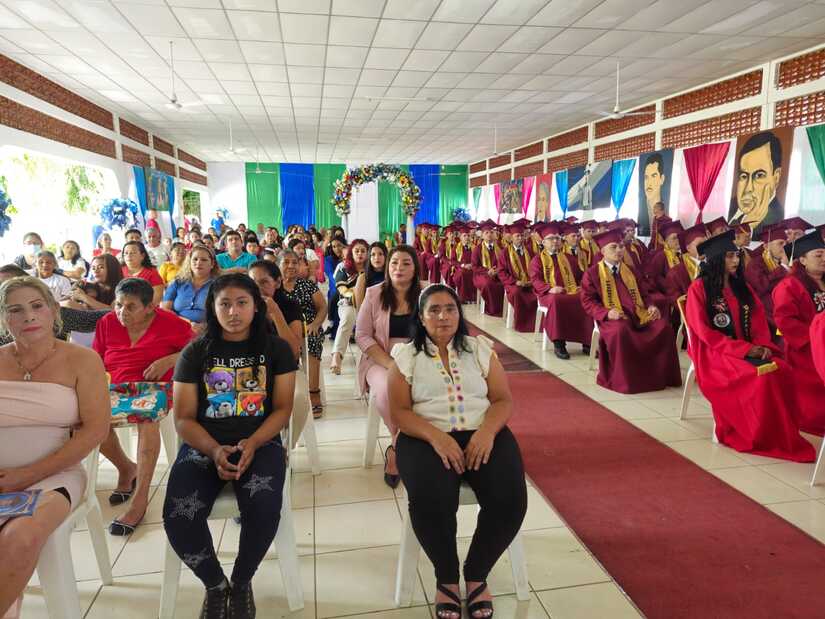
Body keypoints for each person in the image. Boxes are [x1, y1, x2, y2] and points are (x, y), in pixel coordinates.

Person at [388, 283, 527, 619]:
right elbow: (400, 412)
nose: (443, 316)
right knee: (432, 499)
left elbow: (502, 400)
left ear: (459, 313)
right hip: (424, 436)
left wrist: (487, 432)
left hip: (483, 432)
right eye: (434, 310)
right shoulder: (406, 356)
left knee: (509, 499)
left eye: (450, 308)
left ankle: (477, 572)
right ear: (421, 317)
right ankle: (447, 577)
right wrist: (437, 438)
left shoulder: (478, 349)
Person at [162, 273, 296, 619]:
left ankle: (241, 580)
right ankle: (215, 584)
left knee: (264, 508)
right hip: (203, 444)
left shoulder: (276, 349)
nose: (233, 312)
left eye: (241, 303)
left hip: (261, 441)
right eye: (224, 304)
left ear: (256, 307)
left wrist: (255, 441)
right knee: (178, 516)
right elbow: (184, 419)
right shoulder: (195, 352)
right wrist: (213, 450)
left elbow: (283, 409)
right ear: (213, 307)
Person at [0, 276, 110, 619]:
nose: (28, 316)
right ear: (4, 319)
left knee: (20, 536)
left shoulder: (83, 360)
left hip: (54, 476)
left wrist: (26, 475)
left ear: (53, 311)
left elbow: (96, 430)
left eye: (37, 306)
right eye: (16, 310)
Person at [685, 231, 814, 461]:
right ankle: (757, 434)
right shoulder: (699, 289)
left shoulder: (741, 287)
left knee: (782, 369)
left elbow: (758, 322)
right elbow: (704, 333)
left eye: (736, 255)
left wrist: (762, 345)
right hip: (716, 353)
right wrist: (744, 350)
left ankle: (778, 433)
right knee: (759, 377)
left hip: (748, 347)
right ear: (715, 260)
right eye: (729, 256)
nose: (736, 260)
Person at [93, 278, 194, 535]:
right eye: (118, 305)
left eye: (130, 307)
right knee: (89, 420)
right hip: (117, 387)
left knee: (147, 418)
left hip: (156, 387)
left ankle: (140, 498)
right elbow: (96, 359)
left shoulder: (171, 323)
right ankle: (126, 468)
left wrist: (170, 360)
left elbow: (198, 349)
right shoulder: (107, 322)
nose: (121, 312)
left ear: (150, 307)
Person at [581, 229, 681, 393]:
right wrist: (607, 313)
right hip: (613, 317)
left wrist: (651, 306)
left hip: (638, 314)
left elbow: (644, 294)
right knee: (621, 330)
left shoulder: (631, 271)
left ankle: (660, 376)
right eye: (614, 247)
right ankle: (626, 381)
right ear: (603, 251)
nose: (619, 250)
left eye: (621, 246)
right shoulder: (592, 274)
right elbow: (588, 301)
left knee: (664, 328)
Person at [356, 245, 421, 488]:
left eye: (406, 263)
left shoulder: (425, 294)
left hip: (418, 358)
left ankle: (402, 445)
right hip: (380, 358)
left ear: (415, 268)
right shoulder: (374, 294)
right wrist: (391, 364)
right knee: (386, 389)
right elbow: (362, 335)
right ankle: (398, 445)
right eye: (394, 262)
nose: (399, 268)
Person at [772, 231, 825, 436]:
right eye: (818, 255)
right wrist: (816, 339)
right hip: (804, 348)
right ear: (802, 260)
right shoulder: (789, 285)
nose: (824, 259)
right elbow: (785, 321)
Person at [529, 223, 593, 359]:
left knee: (585, 298)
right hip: (548, 294)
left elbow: (580, 276)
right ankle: (559, 343)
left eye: (557, 238)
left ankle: (587, 342)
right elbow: (535, 280)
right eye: (551, 238)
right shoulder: (537, 260)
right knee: (556, 300)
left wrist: (583, 286)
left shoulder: (569, 258)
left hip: (569, 291)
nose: (555, 241)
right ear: (543, 242)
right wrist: (550, 288)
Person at [279, 250, 327, 417]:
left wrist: (315, 324)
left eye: (295, 262)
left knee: (312, 341)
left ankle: (314, 392)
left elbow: (322, 307)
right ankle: (286, 393)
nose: (291, 266)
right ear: (278, 265)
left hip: (308, 327)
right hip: (284, 330)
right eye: (286, 262)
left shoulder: (307, 285)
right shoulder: (275, 287)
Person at [728, 130, 785, 235]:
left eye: (759, 175)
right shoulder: (731, 206)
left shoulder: (776, 220)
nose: (748, 188)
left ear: (776, 177)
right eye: (744, 176)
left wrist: (749, 227)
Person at [248, 260, 303, 359]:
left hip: (281, 364)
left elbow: (294, 353)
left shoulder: (290, 306)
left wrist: (275, 312)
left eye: (263, 282)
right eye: (252, 283)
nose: (257, 288)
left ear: (277, 282)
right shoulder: (245, 308)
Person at [330, 239, 369, 375]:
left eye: (363, 251)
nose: (360, 254)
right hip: (348, 303)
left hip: (369, 305)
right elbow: (342, 289)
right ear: (351, 253)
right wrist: (355, 296)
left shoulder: (371, 268)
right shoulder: (343, 267)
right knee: (348, 318)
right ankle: (337, 355)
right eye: (356, 251)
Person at [161, 245, 220, 332]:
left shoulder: (219, 285)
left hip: (206, 330)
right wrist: (188, 323)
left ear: (212, 264)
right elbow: (165, 309)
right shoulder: (178, 281)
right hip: (176, 326)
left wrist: (205, 327)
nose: (198, 262)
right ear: (189, 262)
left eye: (204, 260)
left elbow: (222, 314)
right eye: (195, 259)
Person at [745, 223, 788, 330]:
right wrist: (783, 268)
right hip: (765, 316)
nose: (785, 247)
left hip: (785, 310)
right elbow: (761, 285)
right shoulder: (755, 264)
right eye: (780, 243)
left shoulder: (789, 262)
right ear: (766, 246)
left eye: (786, 243)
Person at [499, 225, 537, 333]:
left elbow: (535, 269)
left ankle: (536, 323)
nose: (520, 238)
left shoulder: (530, 251)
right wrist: (516, 282)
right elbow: (502, 272)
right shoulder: (504, 253)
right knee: (517, 292)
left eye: (522, 236)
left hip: (529, 282)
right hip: (512, 283)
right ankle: (522, 324)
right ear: (511, 238)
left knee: (538, 292)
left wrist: (532, 281)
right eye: (517, 236)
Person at [665, 224, 708, 303]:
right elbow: (678, 301)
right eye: (699, 245)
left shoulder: (716, 262)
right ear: (688, 248)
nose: (704, 247)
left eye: (706, 243)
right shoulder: (675, 273)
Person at [472, 222, 505, 317]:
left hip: (497, 273)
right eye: (486, 233)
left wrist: (498, 270)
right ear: (482, 235)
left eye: (491, 232)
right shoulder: (477, 249)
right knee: (488, 284)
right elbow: (474, 267)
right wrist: (487, 271)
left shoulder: (500, 248)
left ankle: (502, 308)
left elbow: (503, 262)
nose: (489, 234)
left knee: (504, 282)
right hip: (481, 275)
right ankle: (492, 309)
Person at [645, 221, 685, 295]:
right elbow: (655, 278)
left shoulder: (686, 255)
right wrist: (669, 285)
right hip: (669, 294)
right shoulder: (661, 256)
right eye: (674, 238)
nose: (678, 240)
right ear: (666, 241)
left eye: (679, 237)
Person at [120, 241, 164, 305]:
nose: (129, 255)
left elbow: (157, 298)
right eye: (126, 253)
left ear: (142, 256)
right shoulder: (119, 270)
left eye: (133, 252)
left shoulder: (151, 272)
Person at [355, 242, 387, 307]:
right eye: (373, 254)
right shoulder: (362, 278)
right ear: (369, 257)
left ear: (386, 256)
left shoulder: (391, 276)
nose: (377, 257)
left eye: (380, 254)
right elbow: (360, 307)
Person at [450, 227, 476, 303]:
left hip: (472, 267)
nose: (467, 237)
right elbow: (453, 261)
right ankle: (463, 298)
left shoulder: (474, 247)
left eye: (468, 235)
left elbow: (478, 259)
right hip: (459, 268)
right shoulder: (456, 247)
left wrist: (472, 265)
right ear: (460, 237)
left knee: (475, 274)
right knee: (462, 274)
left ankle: (473, 297)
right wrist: (463, 265)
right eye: (464, 235)